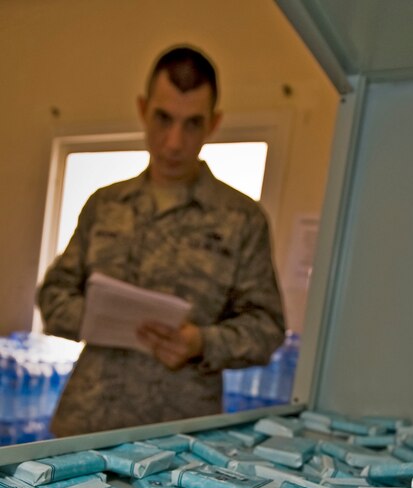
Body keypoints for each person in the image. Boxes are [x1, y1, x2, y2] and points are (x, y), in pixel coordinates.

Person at [38, 45, 286, 436]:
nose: (173, 142)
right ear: (142, 109)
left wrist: (202, 341)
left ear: (214, 123)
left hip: (180, 434)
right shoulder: (105, 204)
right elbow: (54, 293)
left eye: (192, 124)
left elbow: (267, 327)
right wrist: (95, 318)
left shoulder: (241, 219)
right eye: (163, 118)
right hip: (89, 421)